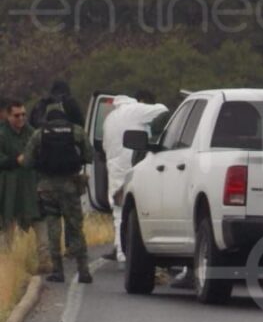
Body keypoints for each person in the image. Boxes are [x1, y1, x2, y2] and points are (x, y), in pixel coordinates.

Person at [20, 103, 93, 284]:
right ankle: (84, 271)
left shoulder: (39, 133)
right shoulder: (75, 131)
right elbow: (90, 155)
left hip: (47, 187)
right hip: (71, 185)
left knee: (53, 228)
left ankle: (58, 272)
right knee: (76, 227)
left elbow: (28, 162)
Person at [100, 93, 168, 262]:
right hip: (133, 164)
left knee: (117, 210)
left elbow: (104, 145)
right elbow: (162, 110)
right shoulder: (134, 110)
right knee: (139, 206)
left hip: (114, 167)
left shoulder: (109, 119)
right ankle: (137, 249)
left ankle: (120, 250)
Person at [0, 100, 50, 272]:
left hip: (31, 185)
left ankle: (45, 260)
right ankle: (6, 264)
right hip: (9, 187)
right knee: (8, 225)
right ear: (8, 115)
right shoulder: (2, 134)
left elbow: (42, 155)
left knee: (39, 218)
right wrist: (15, 160)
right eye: (16, 115)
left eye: (23, 114)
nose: (21, 118)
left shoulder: (32, 133)